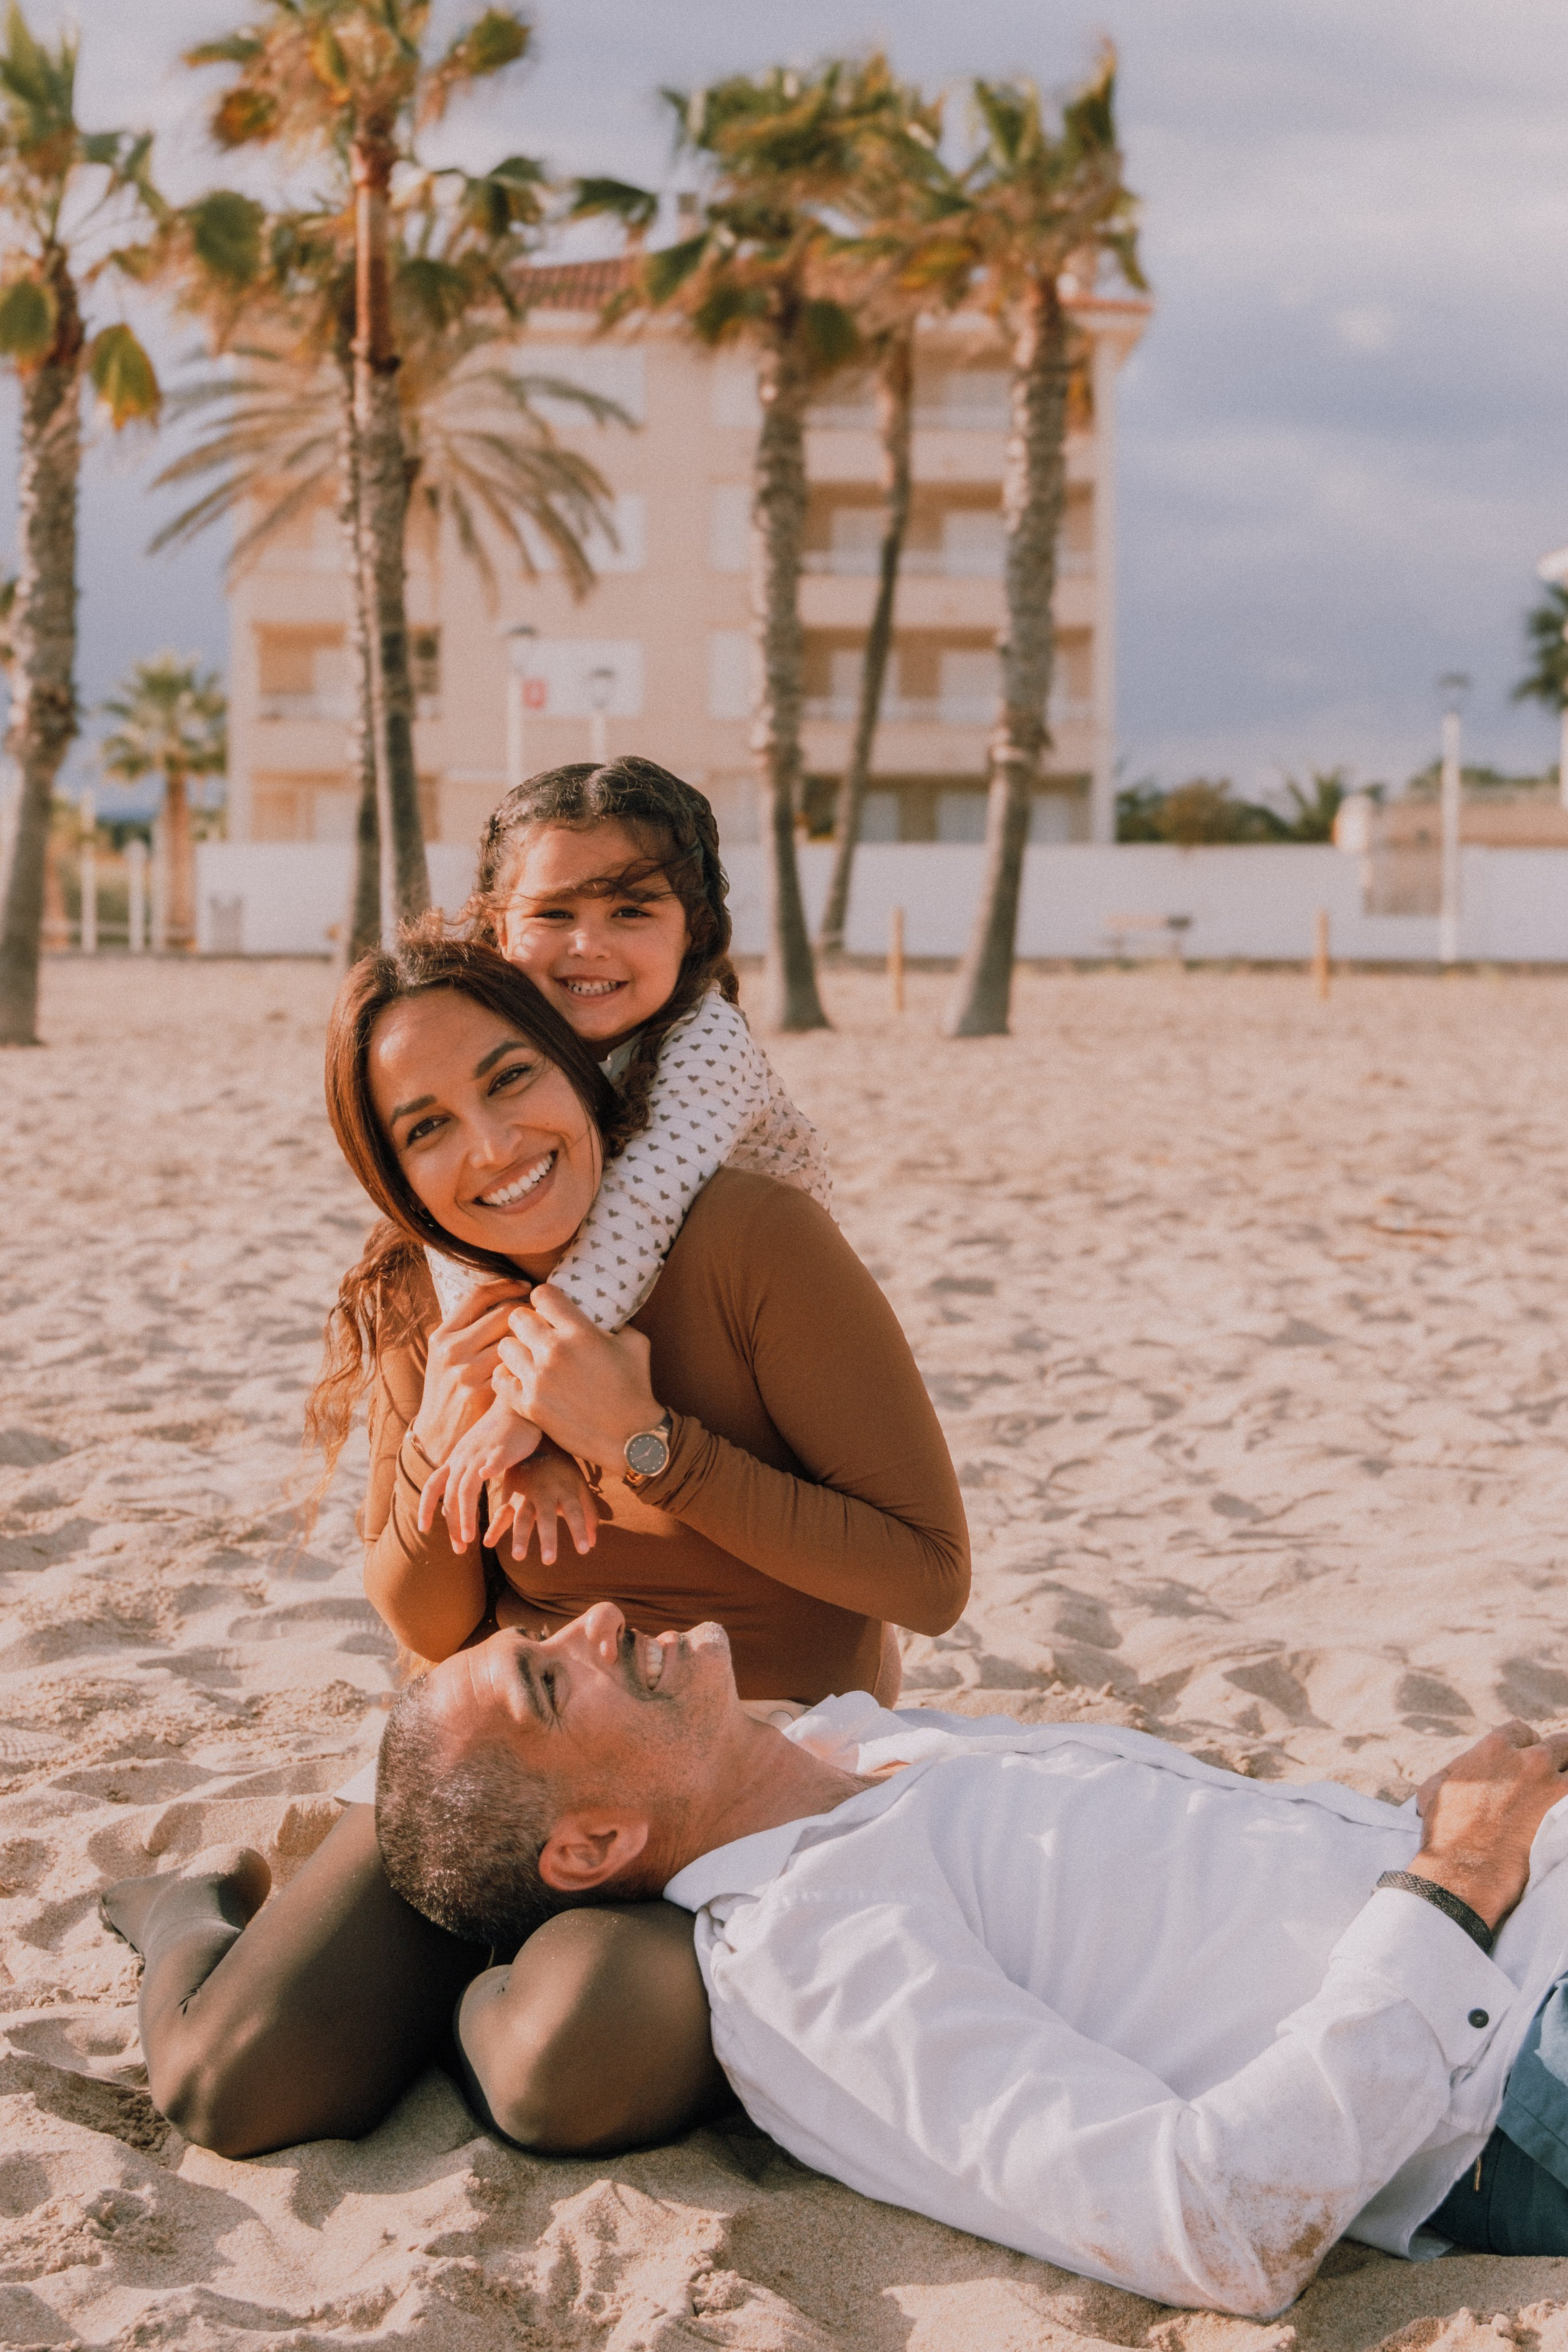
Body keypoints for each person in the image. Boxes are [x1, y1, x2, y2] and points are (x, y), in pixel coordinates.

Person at [98, 933, 968, 2160]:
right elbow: (430, 1627)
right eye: (427, 1128)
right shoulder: (434, 1289)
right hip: (498, 1776)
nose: (492, 1150)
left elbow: (926, 1577)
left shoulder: (748, 1240)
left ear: (578, 1073)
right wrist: (435, 1451)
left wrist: (645, 1443)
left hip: (727, 1779)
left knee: (572, 2061)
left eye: (511, 1081)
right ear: (394, 1170)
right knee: (231, 2086)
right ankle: (191, 1908)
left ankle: (453, 2000)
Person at [375, 1603, 1568, 2320]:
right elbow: (1211, 2223)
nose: (587, 1624)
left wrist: (1416, 1843)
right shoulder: (805, 1958)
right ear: (591, 1845)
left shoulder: (863, 1743)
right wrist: (1451, 1882)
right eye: (545, 1678)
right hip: (1519, 2060)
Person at [420, 755, 831, 1562]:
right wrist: (523, 1428)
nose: (589, 946)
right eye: (554, 913)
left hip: (753, 1351)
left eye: (632, 911)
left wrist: (525, 1413)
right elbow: (453, 1226)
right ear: (501, 928)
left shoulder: (707, 1041)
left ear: (695, 931)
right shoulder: (494, 1032)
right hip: (610, 1328)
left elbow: (640, 1210)